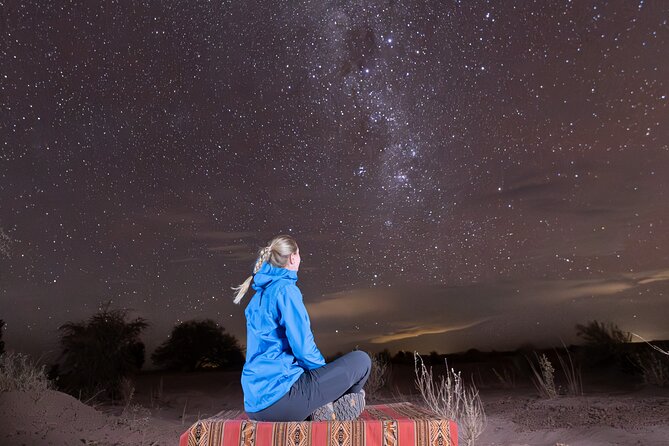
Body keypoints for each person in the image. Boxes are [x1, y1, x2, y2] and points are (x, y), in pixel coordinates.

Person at [232, 234, 371, 422]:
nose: (301, 259)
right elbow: (303, 349)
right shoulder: (285, 290)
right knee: (361, 361)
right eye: (299, 254)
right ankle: (336, 408)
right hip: (281, 400)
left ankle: (320, 411)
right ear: (292, 258)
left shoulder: (257, 297)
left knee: (315, 376)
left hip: (255, 405)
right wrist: (326, 382)